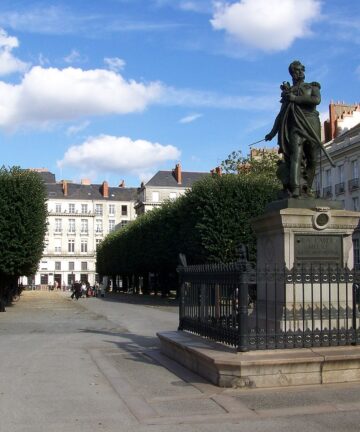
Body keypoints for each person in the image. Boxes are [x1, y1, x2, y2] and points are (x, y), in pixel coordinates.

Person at [265, 60, 325, 198]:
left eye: (301, 69)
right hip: (296, 126)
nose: (299, 72)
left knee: (312, 159)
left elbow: (316, 100)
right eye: (296, 71)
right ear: (292, 74)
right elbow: (281, 115)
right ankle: (295, 188)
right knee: (295, 156)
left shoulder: (313, 87)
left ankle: (307, 188)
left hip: (312, 124)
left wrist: (295, 98)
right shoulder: (288, 93)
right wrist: (272, 132)